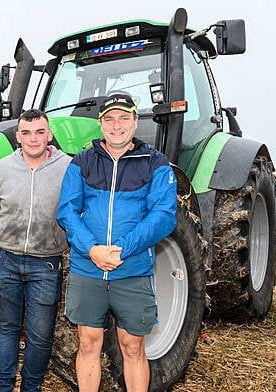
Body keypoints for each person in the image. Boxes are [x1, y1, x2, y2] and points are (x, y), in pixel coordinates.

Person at [56, 93, 177, 392]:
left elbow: (162, 216)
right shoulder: (82, 162)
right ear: (100, 124)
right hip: (89, 269)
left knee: (133, 346)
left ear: (136, 122)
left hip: (131, 269)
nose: (117, 125)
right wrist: (93, 250)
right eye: (109, 119)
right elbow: (68, 211)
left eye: (124, 118)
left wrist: (123, 248)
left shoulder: (155, 163)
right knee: (87, 343)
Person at [0, 109, 71, 392]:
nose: (33, 139)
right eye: (27, 133)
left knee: (41, 336)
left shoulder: (68, 167)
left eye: (39, 132)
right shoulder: (1, 169)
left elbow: (74, 208)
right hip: (5, 259)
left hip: (46, 263)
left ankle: (31, 388)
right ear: (18, 136)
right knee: (7, 329)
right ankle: (2, 387)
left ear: (50, 134)